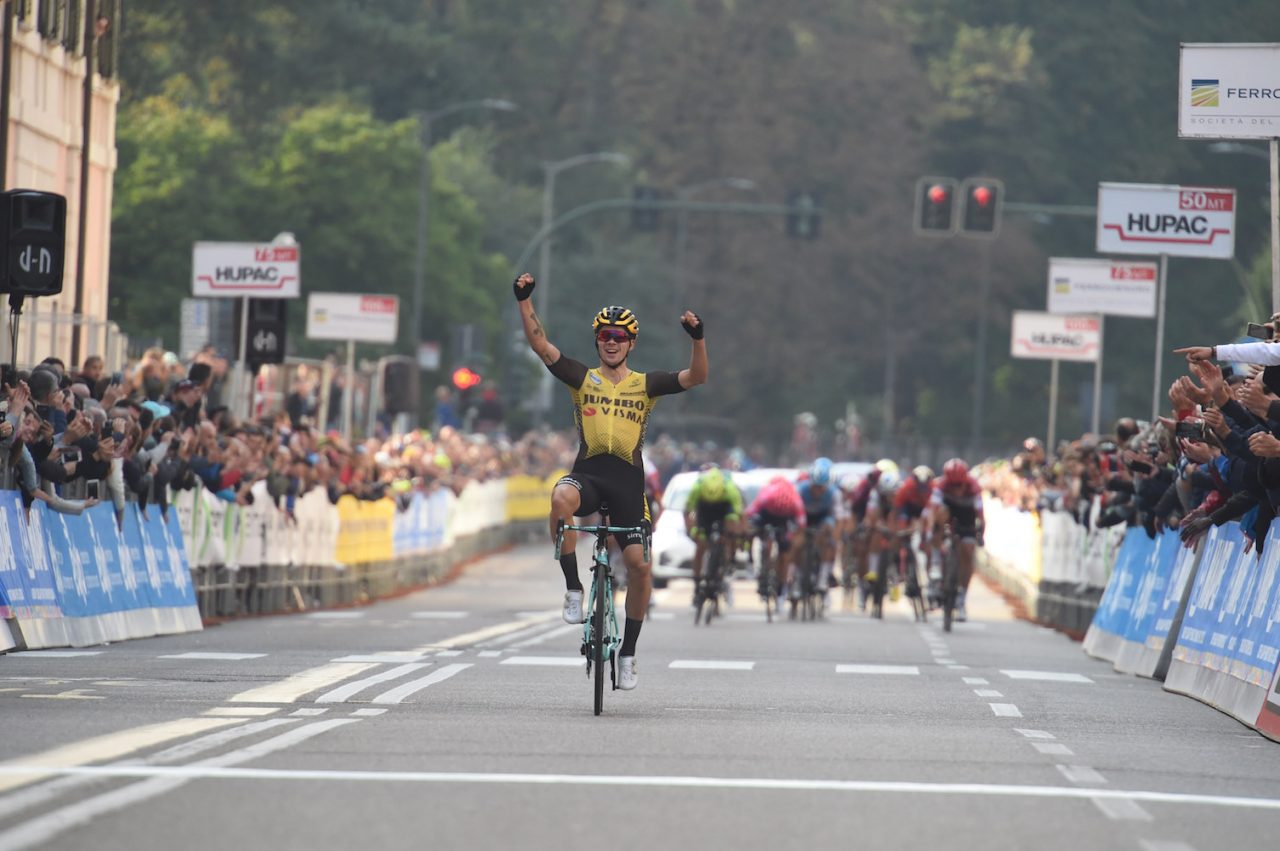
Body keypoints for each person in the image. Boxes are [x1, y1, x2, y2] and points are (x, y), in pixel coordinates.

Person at [514, 271, 706, 691]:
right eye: (605, 335)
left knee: (639, 568)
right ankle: (572, 588)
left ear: (631, 343)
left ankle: (630, 653)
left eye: (619, 335)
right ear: (597, 341)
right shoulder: (583, 378)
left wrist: (697, 339)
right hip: (589, 475)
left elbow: (696, 378)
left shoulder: (646, 384)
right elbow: (541, 345)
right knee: (560, 497)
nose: (612, 341)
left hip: (627, 487)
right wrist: (524, 301)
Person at [926, 458, 984, 622]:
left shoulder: (974, 487)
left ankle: (962, 598)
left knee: (968, 552)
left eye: (959, 485)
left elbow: (981, 515)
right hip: (948, 515)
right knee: (940, 518)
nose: (957, 490)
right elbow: (933, 510)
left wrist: (981, 534)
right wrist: (932, 530)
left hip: (967, 517)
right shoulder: (942, 485)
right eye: (953, 485)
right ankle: (937, 563)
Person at [683, 466, 744, 607]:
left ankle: (726, 565)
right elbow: (688, 512)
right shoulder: (698, 487)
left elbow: (739, 516)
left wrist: (734, 537)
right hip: (704, 510)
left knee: (729, 531)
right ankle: (697, 584)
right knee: (700, 546)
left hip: (724, 509)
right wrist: (692, 531)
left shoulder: (729, 489)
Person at [745, 474, 806, 605]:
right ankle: (762, 560)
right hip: (769, 515)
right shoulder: (768, 496)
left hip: (781, 520)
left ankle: (779, 583)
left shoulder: (793, 499)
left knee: (783, 552)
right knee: (780, 550)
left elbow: (748, 513)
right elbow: (801, 523)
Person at [794, 457, 838, 606]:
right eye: (815, 487)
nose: (818, 490)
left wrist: (832, 535)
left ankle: (823, 582)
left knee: (828, 541)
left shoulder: (833, 493)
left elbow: (836, 517)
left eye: (822, 487)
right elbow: (794, 514)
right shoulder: (801, 489)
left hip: (823, 518)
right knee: (797, 543)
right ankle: (796, 579)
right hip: (803, 516)